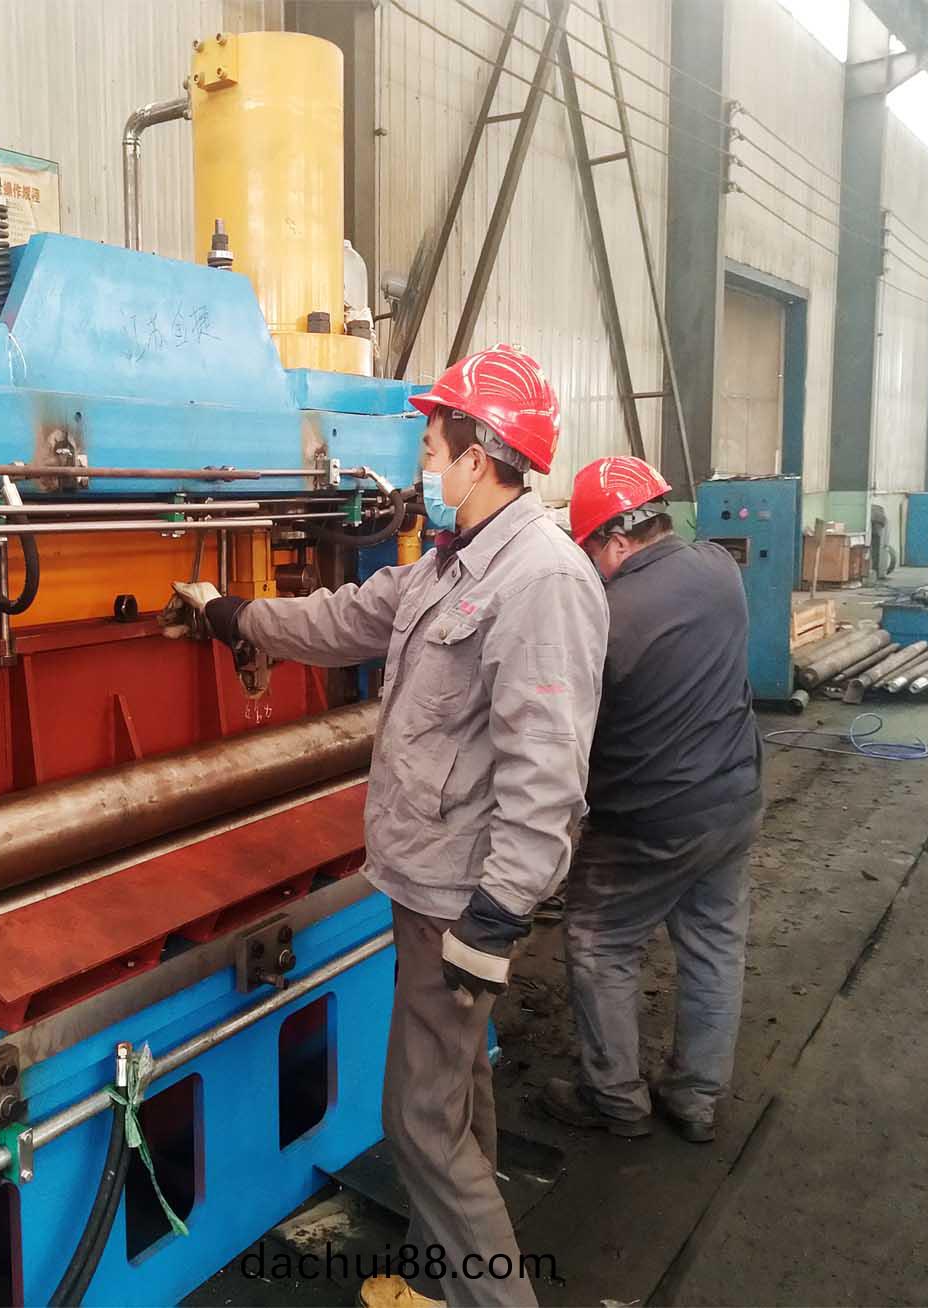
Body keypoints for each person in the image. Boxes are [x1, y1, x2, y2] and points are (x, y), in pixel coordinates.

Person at [172, 346, 608, 1308]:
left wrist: (494, 920)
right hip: (426, 884)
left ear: (479, 456)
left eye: (432, 444)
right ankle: (448, 1281)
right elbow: (338, 620)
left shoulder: (541, 580)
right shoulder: (446, 566)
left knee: (418, 1123)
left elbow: (546, 771)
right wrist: (233, 615)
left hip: (462, 905)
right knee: (457, 1093)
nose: (423, 462)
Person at [543, 455, 763, 1145]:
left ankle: (614, 1099)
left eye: (589, 550)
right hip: (734, 801)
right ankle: (696, 1098)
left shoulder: (607, 617)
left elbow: (568, 723)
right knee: (713, 946)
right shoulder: (719, 569)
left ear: (614, 541)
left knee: (600, 942)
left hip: (647, 823)